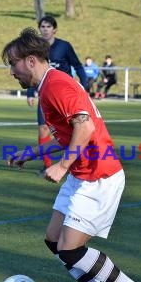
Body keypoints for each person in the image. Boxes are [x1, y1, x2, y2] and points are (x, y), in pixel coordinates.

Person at [3, 27, 141, 282]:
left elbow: (84, 129)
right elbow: (70, 134)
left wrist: (61, 165)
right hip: (82, 174)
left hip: (99, 175)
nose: (11, 71)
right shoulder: (49, 87)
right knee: (54, 241)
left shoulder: (56, 84)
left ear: (31, 61)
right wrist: (31, 152)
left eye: (13, 63)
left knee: (70, 250)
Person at [25, 16, 88, 175]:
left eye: (48, 26)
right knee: (43, 130)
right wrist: (31, 92)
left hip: (65, 96)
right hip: (45, 95)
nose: (45, 29)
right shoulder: (36, 49)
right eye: (42, 26)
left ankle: (77, 162)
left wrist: (84, 86)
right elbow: (31, 71)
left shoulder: (64, 46)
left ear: (54, 29)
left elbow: (78, 66)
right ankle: (46, 165)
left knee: (76, 127)